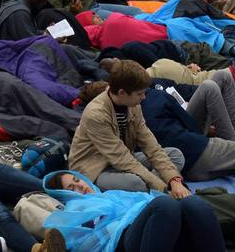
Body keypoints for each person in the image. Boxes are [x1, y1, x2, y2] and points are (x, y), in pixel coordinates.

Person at [68, 60, 189, 193]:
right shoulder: (96, 115)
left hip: (123, 159)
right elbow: (122, 159)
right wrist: (164, 186)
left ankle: (151, 190)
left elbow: (151, 145)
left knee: (175, 155)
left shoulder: (133, 105)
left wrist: (174, 180)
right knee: (135, 183)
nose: (143, 97)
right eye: (139, 94)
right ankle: (157, 191)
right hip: (95, 168)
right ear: (122, 93)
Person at [44, 170, 225, 252]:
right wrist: (120, 223)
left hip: (157, 231)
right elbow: (83, 245)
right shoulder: (74, 211)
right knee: (165, 205)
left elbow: (143, 201)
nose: (81, 186)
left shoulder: (108, 194)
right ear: (63, 194)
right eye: (72, 187)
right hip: (124, 243)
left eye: (77, 180)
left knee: (192, 204)